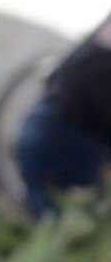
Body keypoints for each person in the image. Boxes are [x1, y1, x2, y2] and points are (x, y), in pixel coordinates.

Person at [17, 20, 111, 218]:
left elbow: (56, 74)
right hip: (71, 139)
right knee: (74, 235)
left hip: (43, 123)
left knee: (58, 232)